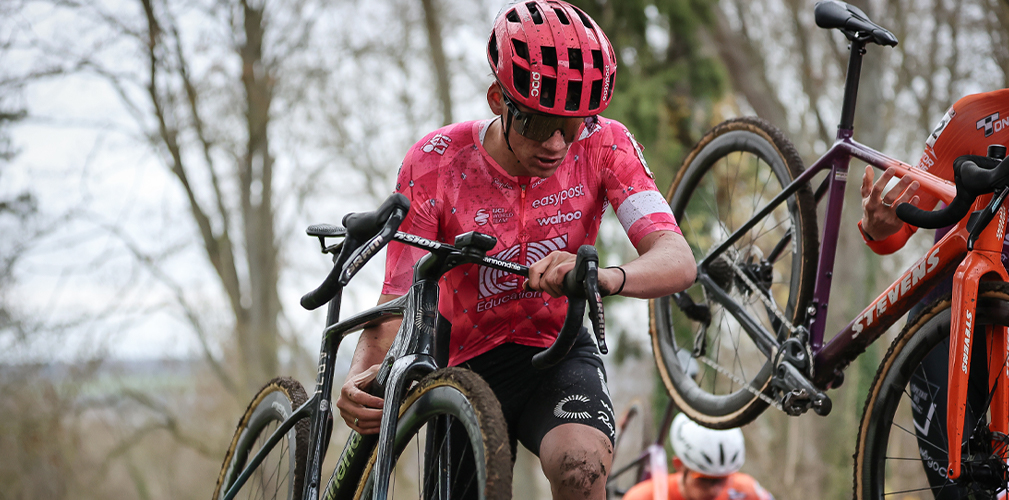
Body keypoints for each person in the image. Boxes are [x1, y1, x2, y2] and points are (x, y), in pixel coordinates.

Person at [334, 1, 697, 499]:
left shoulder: (604, 144)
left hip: (557, 344)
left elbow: (676, 258)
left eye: (570, 126)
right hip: (459, 359)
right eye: (535, 123)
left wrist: (607, 276)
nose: (554, 144)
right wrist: (361, 370)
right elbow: (398, 293)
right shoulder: (437, 161)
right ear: (496, 100)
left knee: (582, 468)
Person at [857, 88, 1009, 497]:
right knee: (960, 491)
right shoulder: (974, 117)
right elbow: (902, 224)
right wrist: (878, 228)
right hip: (948, 321)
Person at [622, 413, 773, 500]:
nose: (715, 490)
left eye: (723, 479)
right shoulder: (642, 496)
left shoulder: (745, 489)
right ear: (679, 465)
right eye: (704, 480)